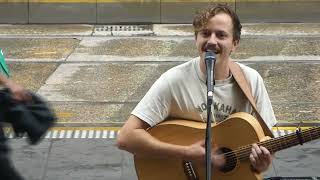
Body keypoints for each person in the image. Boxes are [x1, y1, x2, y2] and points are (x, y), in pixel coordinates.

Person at [117, 3, 277, 175]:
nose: (211, 41)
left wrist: (261, 164)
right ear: (196, 38)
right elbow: (126, 137)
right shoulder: (174, 81)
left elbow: (267, 145)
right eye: (205, 33)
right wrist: (185, 153)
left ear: (234, 43)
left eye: (221, 35)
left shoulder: (252, 81)